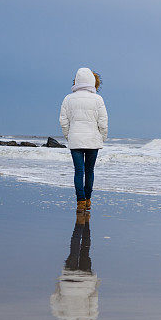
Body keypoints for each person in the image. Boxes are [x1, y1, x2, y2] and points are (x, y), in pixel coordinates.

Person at [59, 67, 108, 212]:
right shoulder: (98, 99)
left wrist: (69, 136)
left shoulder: (68, 99)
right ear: (92, 81)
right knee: (90, 171)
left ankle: (80, 201)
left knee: (78, 171)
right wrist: (102, 138)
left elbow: (63, 121)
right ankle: (88, 200)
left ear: (77, 80)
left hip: (75, 140)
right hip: (93, 140)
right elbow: (103, 122)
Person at [50, 212, 99, 320]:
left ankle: (85, 225)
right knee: (74, 250)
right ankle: (82, 225)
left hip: (85, 281)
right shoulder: (62, 317)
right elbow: (54, 298)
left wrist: (94, 282)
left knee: (85, 251)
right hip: (68, 280)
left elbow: (94, 300)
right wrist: (59, 284)